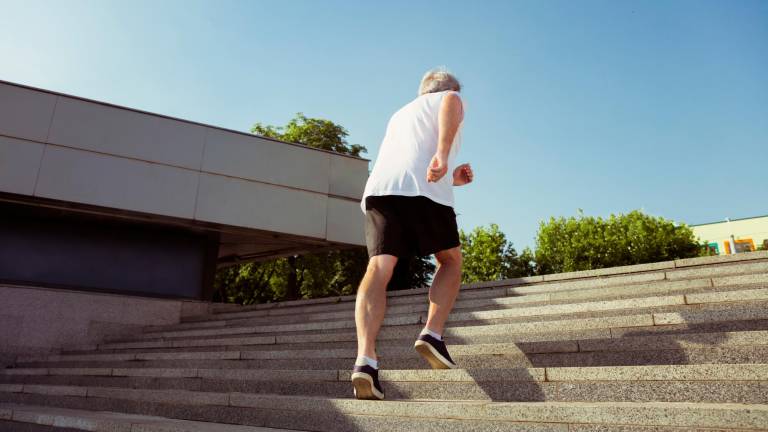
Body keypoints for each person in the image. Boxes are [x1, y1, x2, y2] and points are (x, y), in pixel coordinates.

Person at [351, 67, 474, 400]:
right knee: (450, 261)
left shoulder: (400, 114)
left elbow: (408, 161)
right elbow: (450, 102)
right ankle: (433, 333)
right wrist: (444, 155)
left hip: (380, 191)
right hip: (423, 190)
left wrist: (452, 179)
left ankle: (365, 360)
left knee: (378, 269)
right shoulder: (449, 97)